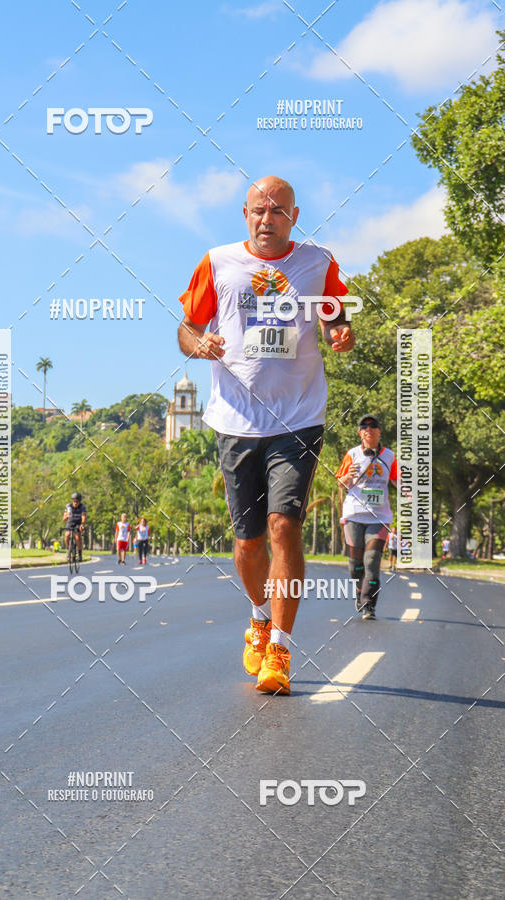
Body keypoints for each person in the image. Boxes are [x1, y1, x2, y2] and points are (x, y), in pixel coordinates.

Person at [177, 175, 354, 695]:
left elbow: (336, 315)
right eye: (258, 209)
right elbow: (186, 327)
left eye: (277, 210)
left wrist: (339, 332)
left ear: (293, 217)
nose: (266, 218)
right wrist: (199, 343)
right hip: (234, 419)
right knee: (248, 541)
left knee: (283, 527)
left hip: (298, 417)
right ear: (245, 213)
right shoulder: (218, 262)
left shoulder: (318, 262)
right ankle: (258, 616)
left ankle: (279, 647)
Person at [336, 415, 398, 619]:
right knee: (356, 566)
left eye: (373, 426)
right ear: (359, 432)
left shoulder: (389, 456)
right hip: (354, 514)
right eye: (364, 426)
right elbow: (341, 483)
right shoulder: (352, 454)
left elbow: (399, 481)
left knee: (371, 561)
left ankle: (368, 605)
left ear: (380, 431)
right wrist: (347, 478)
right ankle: (358, 592)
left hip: (379, 517)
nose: (368, 429)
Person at [63, 492, 87, 562]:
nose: (75, 503)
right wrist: (67, 515)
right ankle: (69, 551)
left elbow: (83, 516)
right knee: (67, 535)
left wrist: (82, 524)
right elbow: (63, 518)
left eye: (77, 501)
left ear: (79, 501)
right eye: (74, 501)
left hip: (78, 523)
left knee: (77, 537)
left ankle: (79, 554)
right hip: (70, 522)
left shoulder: (82, 507)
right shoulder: (68, 506)